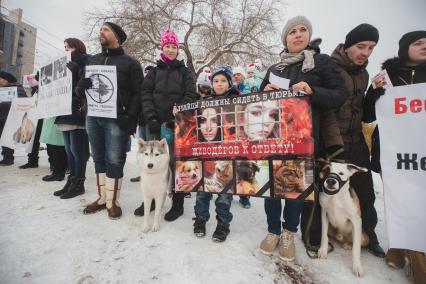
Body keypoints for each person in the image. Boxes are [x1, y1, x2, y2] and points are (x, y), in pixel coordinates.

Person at [259, 16, 347, 261]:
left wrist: (313, 91)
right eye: (292, 32)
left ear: (309, 35)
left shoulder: (321, 62)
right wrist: (263, 92)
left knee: (295, 190)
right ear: (285, 38)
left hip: (303, 139)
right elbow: (258, 104)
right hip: (273, 139)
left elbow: (340, 95)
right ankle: (273, 230)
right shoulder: (274, 69)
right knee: (272, 190)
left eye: (303, 30)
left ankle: (289, 232)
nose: (298, 35)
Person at [314, 24, 385, 257]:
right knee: (326, 190)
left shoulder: (363, 73)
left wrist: (373, 95)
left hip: (357, 140)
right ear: (347, 46)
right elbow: (327, 111)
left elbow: (363, 113)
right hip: (333, 142)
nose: (365, 52)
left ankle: (368, 234)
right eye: (360, 46)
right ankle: (318, 235)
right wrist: (335, 147)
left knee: (365, 191)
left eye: (371, 48)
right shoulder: (331, 68)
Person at [363, 30, 426, 284]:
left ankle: (414, 249)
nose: (424, 47)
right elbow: (367, 116)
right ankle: (402, 246)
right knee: (399, 199)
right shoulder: (384, 77)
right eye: (419, 43)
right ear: (404, 47)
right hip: (395, 152)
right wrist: (373, 98)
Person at [77, 22, 143, 219]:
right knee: (98, 157)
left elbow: (138, 94)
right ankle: (101, 198)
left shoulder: (130, 63)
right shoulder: (92, 61)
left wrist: (130, 117)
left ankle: (112, 201)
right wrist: (81, 86)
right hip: (93, 116)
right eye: (100, 30)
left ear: (117, 36)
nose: (101, 32)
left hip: (116, 119)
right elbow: (81, 91)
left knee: (114, 159)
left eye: (106, 29)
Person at [139, 29, 198, 220]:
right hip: (155, 125)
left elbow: (191, 94)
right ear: (162, 47)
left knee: (176, 164)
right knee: (153, 163)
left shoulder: (185, 72)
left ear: (178, 48)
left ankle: (177, 203)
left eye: (174, 46)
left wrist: (179, 112)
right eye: (167, 46)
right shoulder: (154, 72)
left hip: (176, 126)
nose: (171, 49)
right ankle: (153, 200)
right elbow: (146, 95)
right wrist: (151, 118)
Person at [193, 65, 238, 242]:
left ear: (229, 82)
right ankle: (200, 219)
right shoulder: (204, 101)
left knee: (224, 193)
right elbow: (190, 120)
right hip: (206, 154)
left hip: (227, 156)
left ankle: (223, 223)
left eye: (223, 81)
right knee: (202, 191)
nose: (219, 84)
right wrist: (178, 113)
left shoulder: (239, 101)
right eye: (216, 81)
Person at [52, 38, 91, 199]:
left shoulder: (87, 61)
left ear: (78, 47)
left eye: (69, 47)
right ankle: (72, 180)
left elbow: (89, 83)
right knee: (69, 150)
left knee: (78, 151)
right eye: (65, 47)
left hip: (78, 111)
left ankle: (79, 183)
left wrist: (77, 72)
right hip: (64, 111)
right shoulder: (63, 64)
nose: (66, 50)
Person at [0, 71, 27, 165]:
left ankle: (9, 158)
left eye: (0, 78)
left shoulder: (17, 89)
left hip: (10, 118)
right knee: (2, 138)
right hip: (2, 117)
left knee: (8, 138)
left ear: (6, 80)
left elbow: (23, 103)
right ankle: (5, 157)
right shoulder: (1, 89)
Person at [19, 73, 43, 169]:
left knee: (49, 142)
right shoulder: (35, 90)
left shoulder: (44, 88)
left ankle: (56, 164)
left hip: (44, 117)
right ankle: (32, 161)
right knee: (33, 139)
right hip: (34, 117)